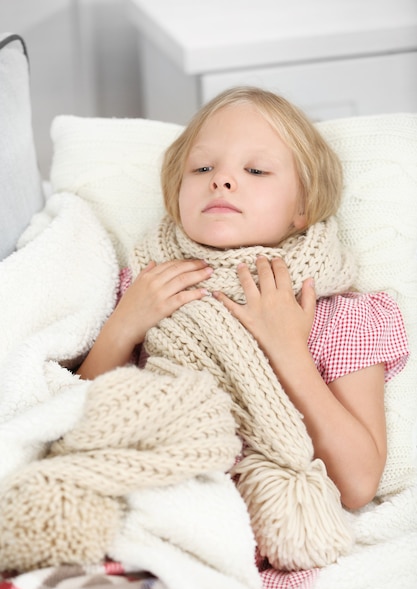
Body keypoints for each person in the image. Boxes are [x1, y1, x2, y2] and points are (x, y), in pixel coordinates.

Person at [77, 86, 409, 512]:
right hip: (140, 498)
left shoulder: (342, 317)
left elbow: (358, 485)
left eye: (255, 170)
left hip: (252, 515)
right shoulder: (142, 288)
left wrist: (289, 350)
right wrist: (123, 328)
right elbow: (73, 422)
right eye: (201, 168)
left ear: (302, 207)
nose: (221, 179)